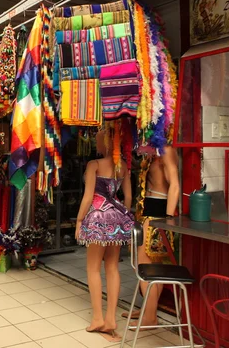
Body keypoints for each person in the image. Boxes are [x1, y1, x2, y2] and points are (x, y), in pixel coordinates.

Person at [75, 129, 133, 340]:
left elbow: (88, 196)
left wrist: (80, 220)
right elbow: (128, 198)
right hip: (117, 216)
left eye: (98, 140)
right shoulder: (123, 166)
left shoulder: (94, 165)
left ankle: (97, 318)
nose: (95, 143)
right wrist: (122, 216)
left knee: (92, 268)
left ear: (106, 143)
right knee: (112, 267)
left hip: (98, 217)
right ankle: (111, 319)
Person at [123, 146, 180, 327]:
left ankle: (150, 316)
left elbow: (175, 185)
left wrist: (168, 220)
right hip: (147, 210)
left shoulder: (166, 150)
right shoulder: (152, 150)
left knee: (145, 265)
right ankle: (149, 309)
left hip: (157, 213)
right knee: (150, 266)